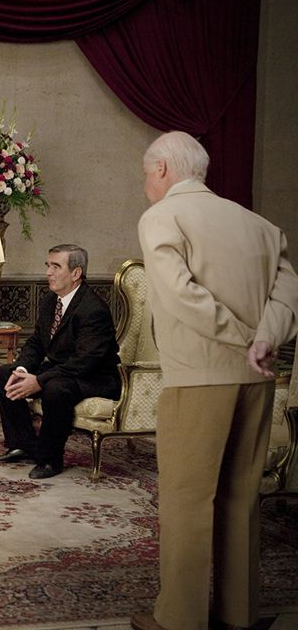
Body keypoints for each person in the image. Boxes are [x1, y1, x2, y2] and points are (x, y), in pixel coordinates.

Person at [131, 132, 298, 630]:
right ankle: (238, 614)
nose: (146, 186)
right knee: (241, 497)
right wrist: (262, 340)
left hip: (197, 379)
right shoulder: (263, 226)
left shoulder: (161, 217)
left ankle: (180, 619)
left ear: (162, 169)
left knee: (187, 499)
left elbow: (180, 295)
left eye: (146, 175)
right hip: (257, 378)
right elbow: (289, 296)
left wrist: (243, 337)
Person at [0, 244, 120, 479]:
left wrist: (39, 380)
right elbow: (37, 343)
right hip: (62, 369)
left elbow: (84, 361)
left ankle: (50, 459)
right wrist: (23, 369)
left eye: (56, 266)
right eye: (47, 266)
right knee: (5, 374)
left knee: (55, 388)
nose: (48, 272)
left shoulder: (93, 309)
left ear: (76, 273)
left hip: (95, 376)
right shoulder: (51, 301)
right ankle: (23, 446)